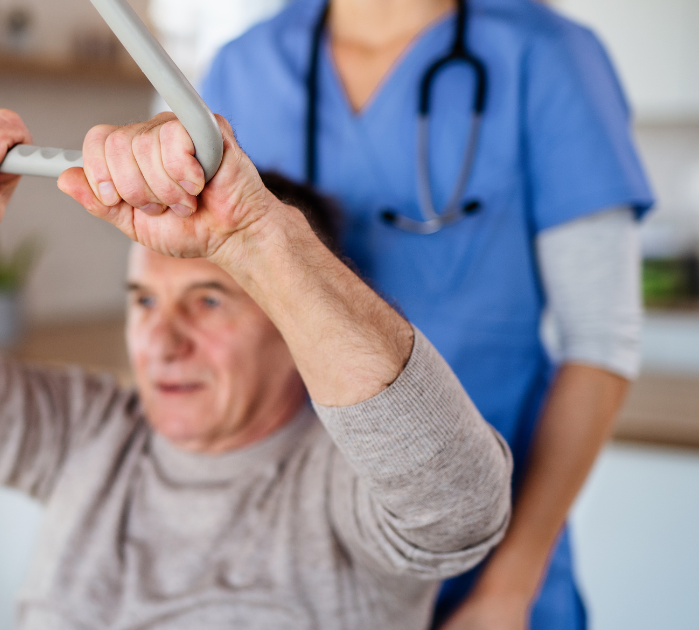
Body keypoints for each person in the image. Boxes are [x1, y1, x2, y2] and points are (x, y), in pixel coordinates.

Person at [0, 98, 513, 628]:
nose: (163, 340)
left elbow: (460, 508)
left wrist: (255, 236)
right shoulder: (93, 437)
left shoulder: (342, 494)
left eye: (210, 301)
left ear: (293, 324)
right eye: (144, 302)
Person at [199, 0, 653, 626]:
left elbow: (601, 343)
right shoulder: (243, 66)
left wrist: (508, 589)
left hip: (490, 559)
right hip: (291, 553)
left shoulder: (547, 57)